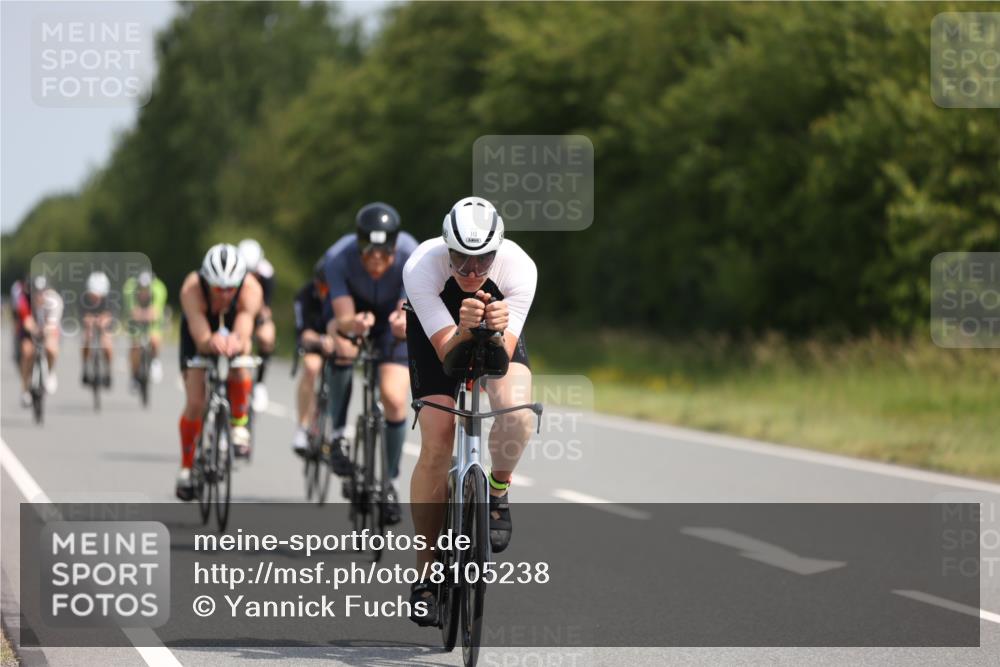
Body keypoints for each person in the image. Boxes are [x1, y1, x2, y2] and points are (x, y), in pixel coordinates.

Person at [402, 196, 537, 625]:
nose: (472, 271)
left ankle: (497, 489)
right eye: (460, 260)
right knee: (438, 441)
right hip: (438, 338)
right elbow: (447, 354)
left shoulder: (519, 268)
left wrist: (493, 330)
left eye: (482, 261)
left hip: (497, 338)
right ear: (446, 247)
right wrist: (462, 327)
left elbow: (499, 361)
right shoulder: (422, 267)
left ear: (498, 250)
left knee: (517, 413)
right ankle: (425, 574)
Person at [320, 202, 418, 524]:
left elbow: (408, 306)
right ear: (359, 247)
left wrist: (401, 320)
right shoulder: (338, 258)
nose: (376, 263)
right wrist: (354, 324)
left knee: (392, 396)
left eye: (384, 256)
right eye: (369, 255)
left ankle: (389, 482)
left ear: (394, 248)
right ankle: (336, 435)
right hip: (355, 313)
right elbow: (343, 316)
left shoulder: (411, 256)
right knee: (343, 349)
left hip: (393, 320)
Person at [175, 244, 263, 500]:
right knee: (195, 401)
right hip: (199, 328)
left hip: (234, 327)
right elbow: (200, 335)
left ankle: (239, 424)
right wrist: (209, 342)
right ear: (206, 281)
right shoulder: (192, 288)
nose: (224, 294)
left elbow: (245, 326)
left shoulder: (251, 289)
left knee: (241, 360)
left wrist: (236, 342)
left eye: (229, 288)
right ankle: (187, 466)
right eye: (218, 288)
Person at [290, 258, 342, 457]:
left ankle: (336, 428)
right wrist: (321, 341)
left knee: (341, 373)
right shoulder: (304, 296)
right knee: (311, 367)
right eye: (321, 286)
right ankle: (302, 428)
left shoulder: (343, 293)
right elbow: (303, 332)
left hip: (337, 343)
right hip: (313, 343)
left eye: (328, 287)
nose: (324, 292)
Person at [237, 239, 276, 411]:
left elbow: (266, 308)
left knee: (267, 337)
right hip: (237, 311)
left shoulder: (268, 275)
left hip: (258, 310)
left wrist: (261, 318)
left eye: (254, 272)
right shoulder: (233, 272)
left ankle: (259, 383)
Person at [16, 275, 64, 405]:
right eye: (36, 292)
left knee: (51, 349)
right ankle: (25, 389)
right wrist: (34, 329)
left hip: (48, 329)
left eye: (42, 292)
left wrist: (45, 330)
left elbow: (53, 324)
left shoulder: (55, 300)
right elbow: (26, 321)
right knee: (27, 352)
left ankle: (51, 372)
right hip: (30, 330)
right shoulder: (24, 299)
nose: (39, 296)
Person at [123, 270, 168, 387]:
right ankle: (133, 375)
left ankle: (155, 362)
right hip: (136, 322)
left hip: (153, 321)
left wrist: (146, 314)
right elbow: (132, 312)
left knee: (155, 340)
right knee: (135, 346)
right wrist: (141, 314)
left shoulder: (159, 289)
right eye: (141, 288)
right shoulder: (129, 289)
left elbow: (156, 312)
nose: (143, 291)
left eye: (146, 289)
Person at [80, 271, 113, 387]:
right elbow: (84, 317)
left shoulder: (109, 299)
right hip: (90, 323)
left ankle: (108, 371)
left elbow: (109, 316)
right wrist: (90, 322)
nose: (95, 298)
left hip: (104, 324)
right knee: (87, 338)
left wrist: (102, 322)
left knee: (107, 344)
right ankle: (85, 367)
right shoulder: (83, 299)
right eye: (93, 295)